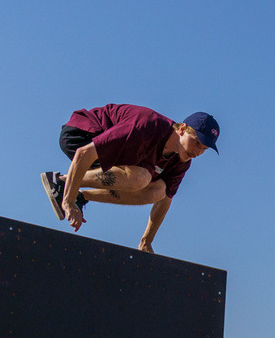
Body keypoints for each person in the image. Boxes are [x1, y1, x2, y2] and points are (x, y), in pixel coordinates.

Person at [38, 104, 220, 252]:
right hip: (82, 133)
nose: (197, 152)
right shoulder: (148, 126)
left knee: (157, 191)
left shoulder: (181, 161)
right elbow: (83, 153)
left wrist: (146, 242)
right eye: (196, 142)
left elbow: (165, 200)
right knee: (140, 177)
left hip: (110, 158)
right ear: (181, 129)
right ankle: (61, 181)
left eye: (203, 149)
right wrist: (67, 202)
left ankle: (81, 195)